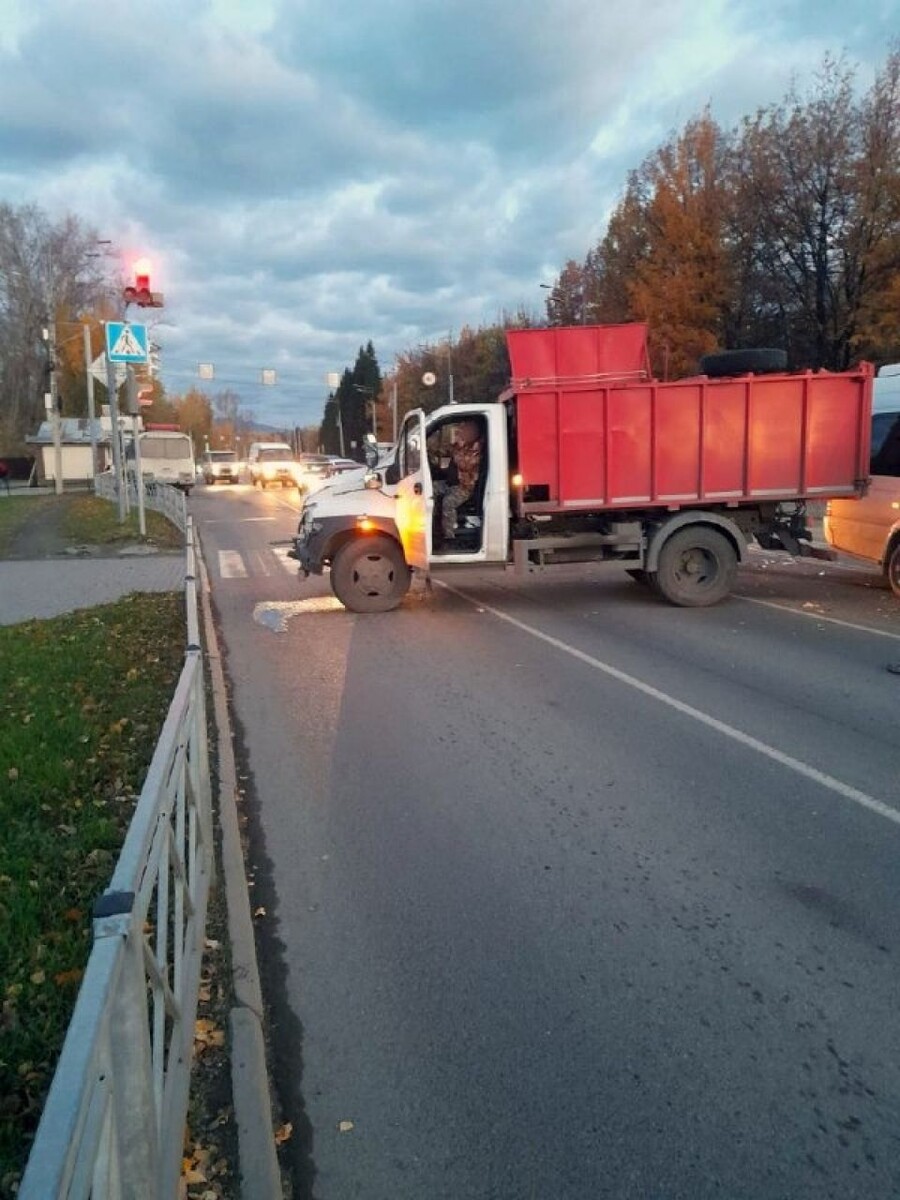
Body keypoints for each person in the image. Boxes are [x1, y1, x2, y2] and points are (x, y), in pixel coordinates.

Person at [431, 419, 483, 544]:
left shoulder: (476, 448)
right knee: (428, 489)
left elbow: (465, 464)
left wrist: (459, 447)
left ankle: (449, 537)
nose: (461, 433)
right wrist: (429, 450)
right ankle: (434, 527)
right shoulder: (462, 446)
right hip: (451, 483)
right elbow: (444, 451)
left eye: (463, 431)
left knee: (448, 503)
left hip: (465, 487)